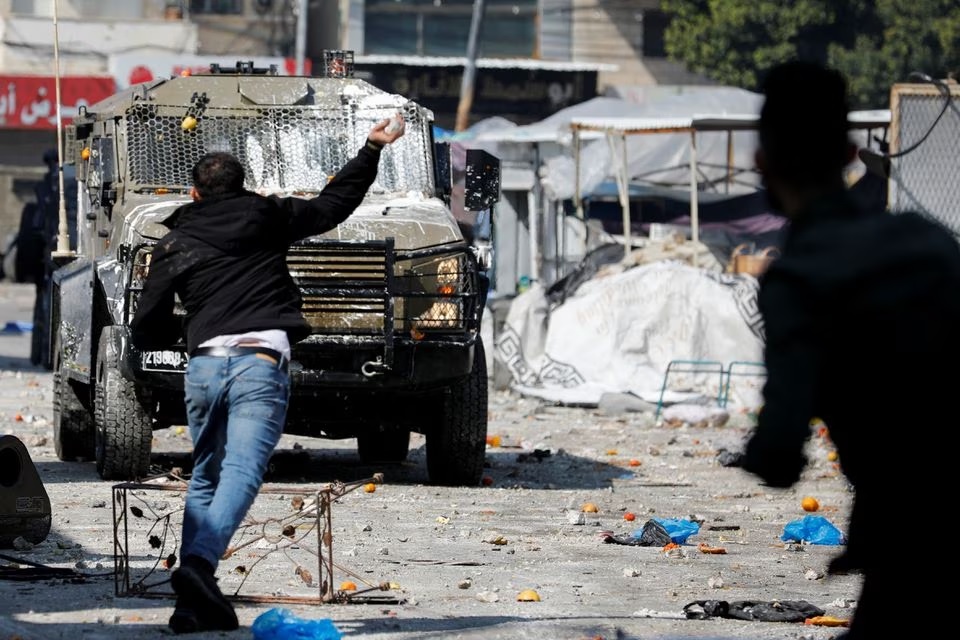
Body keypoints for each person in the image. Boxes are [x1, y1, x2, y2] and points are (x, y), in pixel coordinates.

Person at [130, 117, 405, 633]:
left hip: (206, 367)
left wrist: (182, 332)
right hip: (260, 363)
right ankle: (198, 566)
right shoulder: (266, 215)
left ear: (193, 193)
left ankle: (192, 606)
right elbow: (332, 205)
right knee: (241, 472)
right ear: (244, 186)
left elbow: (145, 324)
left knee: (206, 475)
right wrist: (371, 147)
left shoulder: (175, 241)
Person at [742, 60, 960, 639]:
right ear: (848, 152)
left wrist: (760, 452)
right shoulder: (929, 241)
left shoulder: (798, 280)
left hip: (915, 531)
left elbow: (780, 451)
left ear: (762, 164)